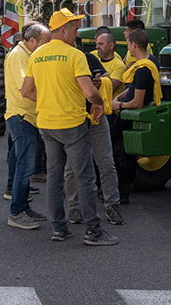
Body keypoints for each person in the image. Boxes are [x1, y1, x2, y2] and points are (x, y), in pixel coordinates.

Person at [21, 8, 118, 246]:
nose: (76, 34)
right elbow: (89, 91)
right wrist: (99, 102)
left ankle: (59, 228)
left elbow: (25, 91)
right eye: (74, 30)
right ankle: (93, 231)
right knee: (84, 177)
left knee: (55, 177)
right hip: (73, 124)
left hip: (47, 123)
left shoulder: (37, 55)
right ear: (63, 31)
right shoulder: (75, 56)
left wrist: (46, 101)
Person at [64, 51, 125, 226]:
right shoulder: (62, 61)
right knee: (71, 166)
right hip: (75, 118)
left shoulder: (87, 58)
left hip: (96, 117)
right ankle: (74, 207)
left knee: (106, 162)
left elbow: (105, 77)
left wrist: (101, 82)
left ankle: (112, 205)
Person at [5, 22, 52, 229]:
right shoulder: (19, 56)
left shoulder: (26, 54)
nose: (46, 47)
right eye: (44, 43)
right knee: (26, 166)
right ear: (31, 40)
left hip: (26, 115)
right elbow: (26, 88)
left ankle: (22, 207)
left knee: (21, 164)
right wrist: (51, 99)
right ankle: (16, 212)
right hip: (22, 115)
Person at [110, 28, 162, 203]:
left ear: (134, 45)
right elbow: (133, 89)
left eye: (128, 45)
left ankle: (123, 190)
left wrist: (118, 104)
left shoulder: (142, 70)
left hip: (130, 114)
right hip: (130, 111)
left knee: (119, 153)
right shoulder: (150, 61)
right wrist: (119, 96)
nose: (128, 50)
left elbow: (137, 101)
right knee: (127, 153)